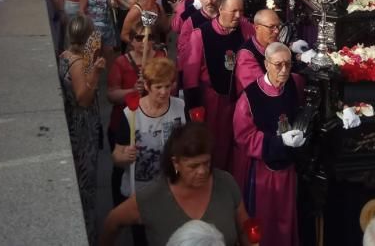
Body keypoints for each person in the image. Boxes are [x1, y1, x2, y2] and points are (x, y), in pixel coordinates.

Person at [100, 122, 252, 246]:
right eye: (193, 166)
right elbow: (113, 221)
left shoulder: (225, 183)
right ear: (176, 163)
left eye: (206, 163)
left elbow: (244, 230)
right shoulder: (152, 197)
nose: (202, 171)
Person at [233, 42, 304, 246]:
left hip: (287, 169)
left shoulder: (294, 83)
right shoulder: (249, 97)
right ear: (266, 64)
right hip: (263, 170)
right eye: (278, 65)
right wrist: (279, 142)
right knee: (264, 221)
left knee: (285, 219)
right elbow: (243, 137)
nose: (284, 71)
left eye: (288, 65)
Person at [183, 0, 255, 172]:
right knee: (213, 144)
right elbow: (190, 75)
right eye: (234, 11)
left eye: (241, 11)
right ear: (221, 9)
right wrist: (194, 107)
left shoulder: (245, 29)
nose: (238, 16)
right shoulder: (200, 34)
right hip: (212, 100)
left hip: (237, 101)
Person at [112, 58, 186, 221]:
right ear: (146, 86)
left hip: (171, 190)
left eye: (168, 86)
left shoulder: (180, 107)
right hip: (140, 192)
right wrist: (124, 157)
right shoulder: (130, 114)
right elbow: (116, 155)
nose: (164, 92)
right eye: (158, 87)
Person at [59, 16, 105, 245]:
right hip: (82, 127)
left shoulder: (68, 56)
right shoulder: (77, 62)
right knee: (86, 184)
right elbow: (83, 99)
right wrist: (95, 74)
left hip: (77, 124)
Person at [234, 9, 282, 95]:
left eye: (278, 26)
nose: (277, 31)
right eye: (271, 27)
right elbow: (260, 89)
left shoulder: (275, 45)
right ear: (257, 28)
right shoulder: (246, 55)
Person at [80, 0, 117, 67]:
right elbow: (81, 10)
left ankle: (110, 78)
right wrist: (86, 27)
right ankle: (91, 78)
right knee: (94, 54)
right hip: (93, 26)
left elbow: (110, 4)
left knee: (109, 51)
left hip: (107, 25)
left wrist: (113, 0)